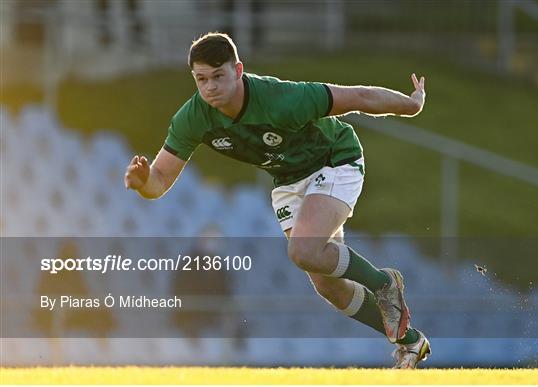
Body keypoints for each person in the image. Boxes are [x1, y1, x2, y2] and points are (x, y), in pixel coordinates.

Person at [124, 32, 431, 368]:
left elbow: (356, 96)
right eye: (201, 79)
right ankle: (411, 341)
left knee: (303, 251)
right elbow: (161, 180)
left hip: (334, 159)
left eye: (218, 76)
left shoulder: (282, 98)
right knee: (330, 287)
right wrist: (143, 182)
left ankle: (385, 283)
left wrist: (411, 104)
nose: (209, 87)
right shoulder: (194, 116)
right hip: (288, 179)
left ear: (238, 70)